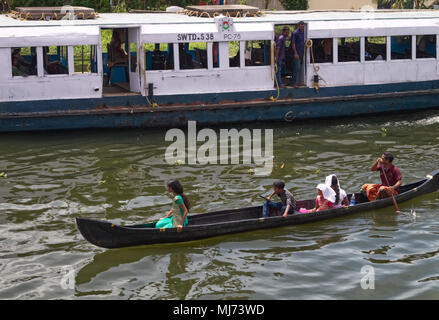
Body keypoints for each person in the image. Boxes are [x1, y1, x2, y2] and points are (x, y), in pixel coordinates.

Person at [290, 21, 305, 87]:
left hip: (302, 53)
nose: (302, 26)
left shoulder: (304, 33)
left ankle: (299, 81)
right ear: (298, 25)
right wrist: (295, 53)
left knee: (300, 67)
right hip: (297, 53)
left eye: (303, 25)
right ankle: (294, 83)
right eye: (301, 25)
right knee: (297, 67)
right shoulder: (295, 33)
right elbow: (293, 44)